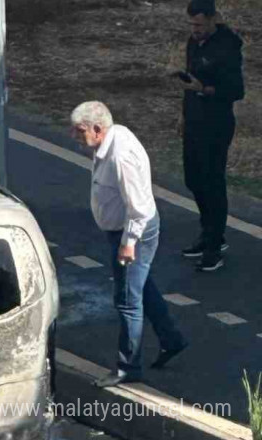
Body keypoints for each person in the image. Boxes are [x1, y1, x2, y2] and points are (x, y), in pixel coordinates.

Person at [70, 101, 188, 387]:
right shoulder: (112, 138)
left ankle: (128, 368)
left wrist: (129, 243)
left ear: (97, 129)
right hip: (125, 230)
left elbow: (138, 207)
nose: (75, 137)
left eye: (79, 131)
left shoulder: (120, 156)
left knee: (127, 301)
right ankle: (171, 339)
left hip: (133, 232)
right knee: (141, 286)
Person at [177, 0, 244, 271]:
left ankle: (214, 245)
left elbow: (236, 91)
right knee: (193, 179)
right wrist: (184, 114)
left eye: (200, 25)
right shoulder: (193, 42)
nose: (195, 30)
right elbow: (189, 82)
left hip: (216, 123)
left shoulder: (227, 47)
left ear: (214, 19)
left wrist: (204, 89)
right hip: (194, 119)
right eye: (192, 24)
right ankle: (209, 231)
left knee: (213, 182)